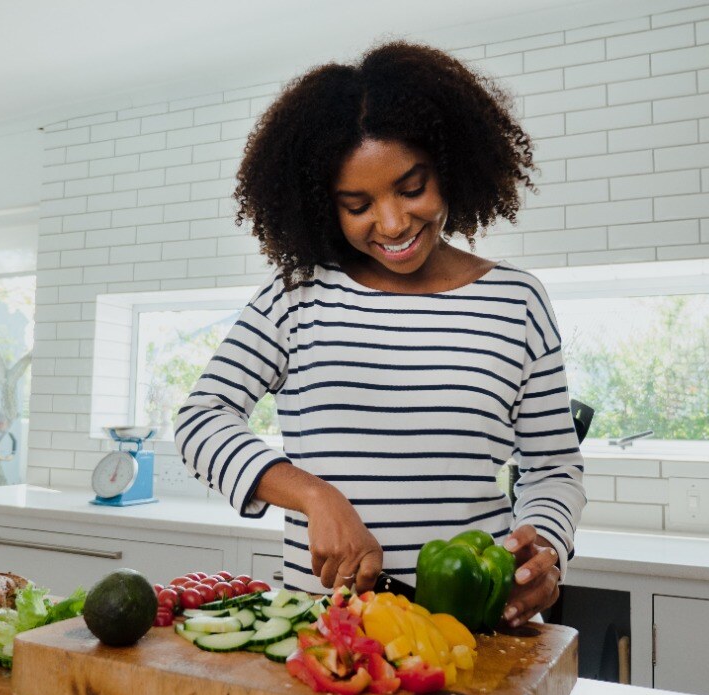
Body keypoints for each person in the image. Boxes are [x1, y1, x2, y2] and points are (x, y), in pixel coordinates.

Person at [175, 40, 586, 629]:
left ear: (450, 166)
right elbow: (200, 419)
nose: (393, 223)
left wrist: (545, 547)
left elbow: (552, 467)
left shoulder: (517, 300)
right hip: (327, 629)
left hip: (479, 631)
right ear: (324, 205)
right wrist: (314, 495)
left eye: (412, 187)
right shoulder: (298, 295)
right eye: (357, 204)